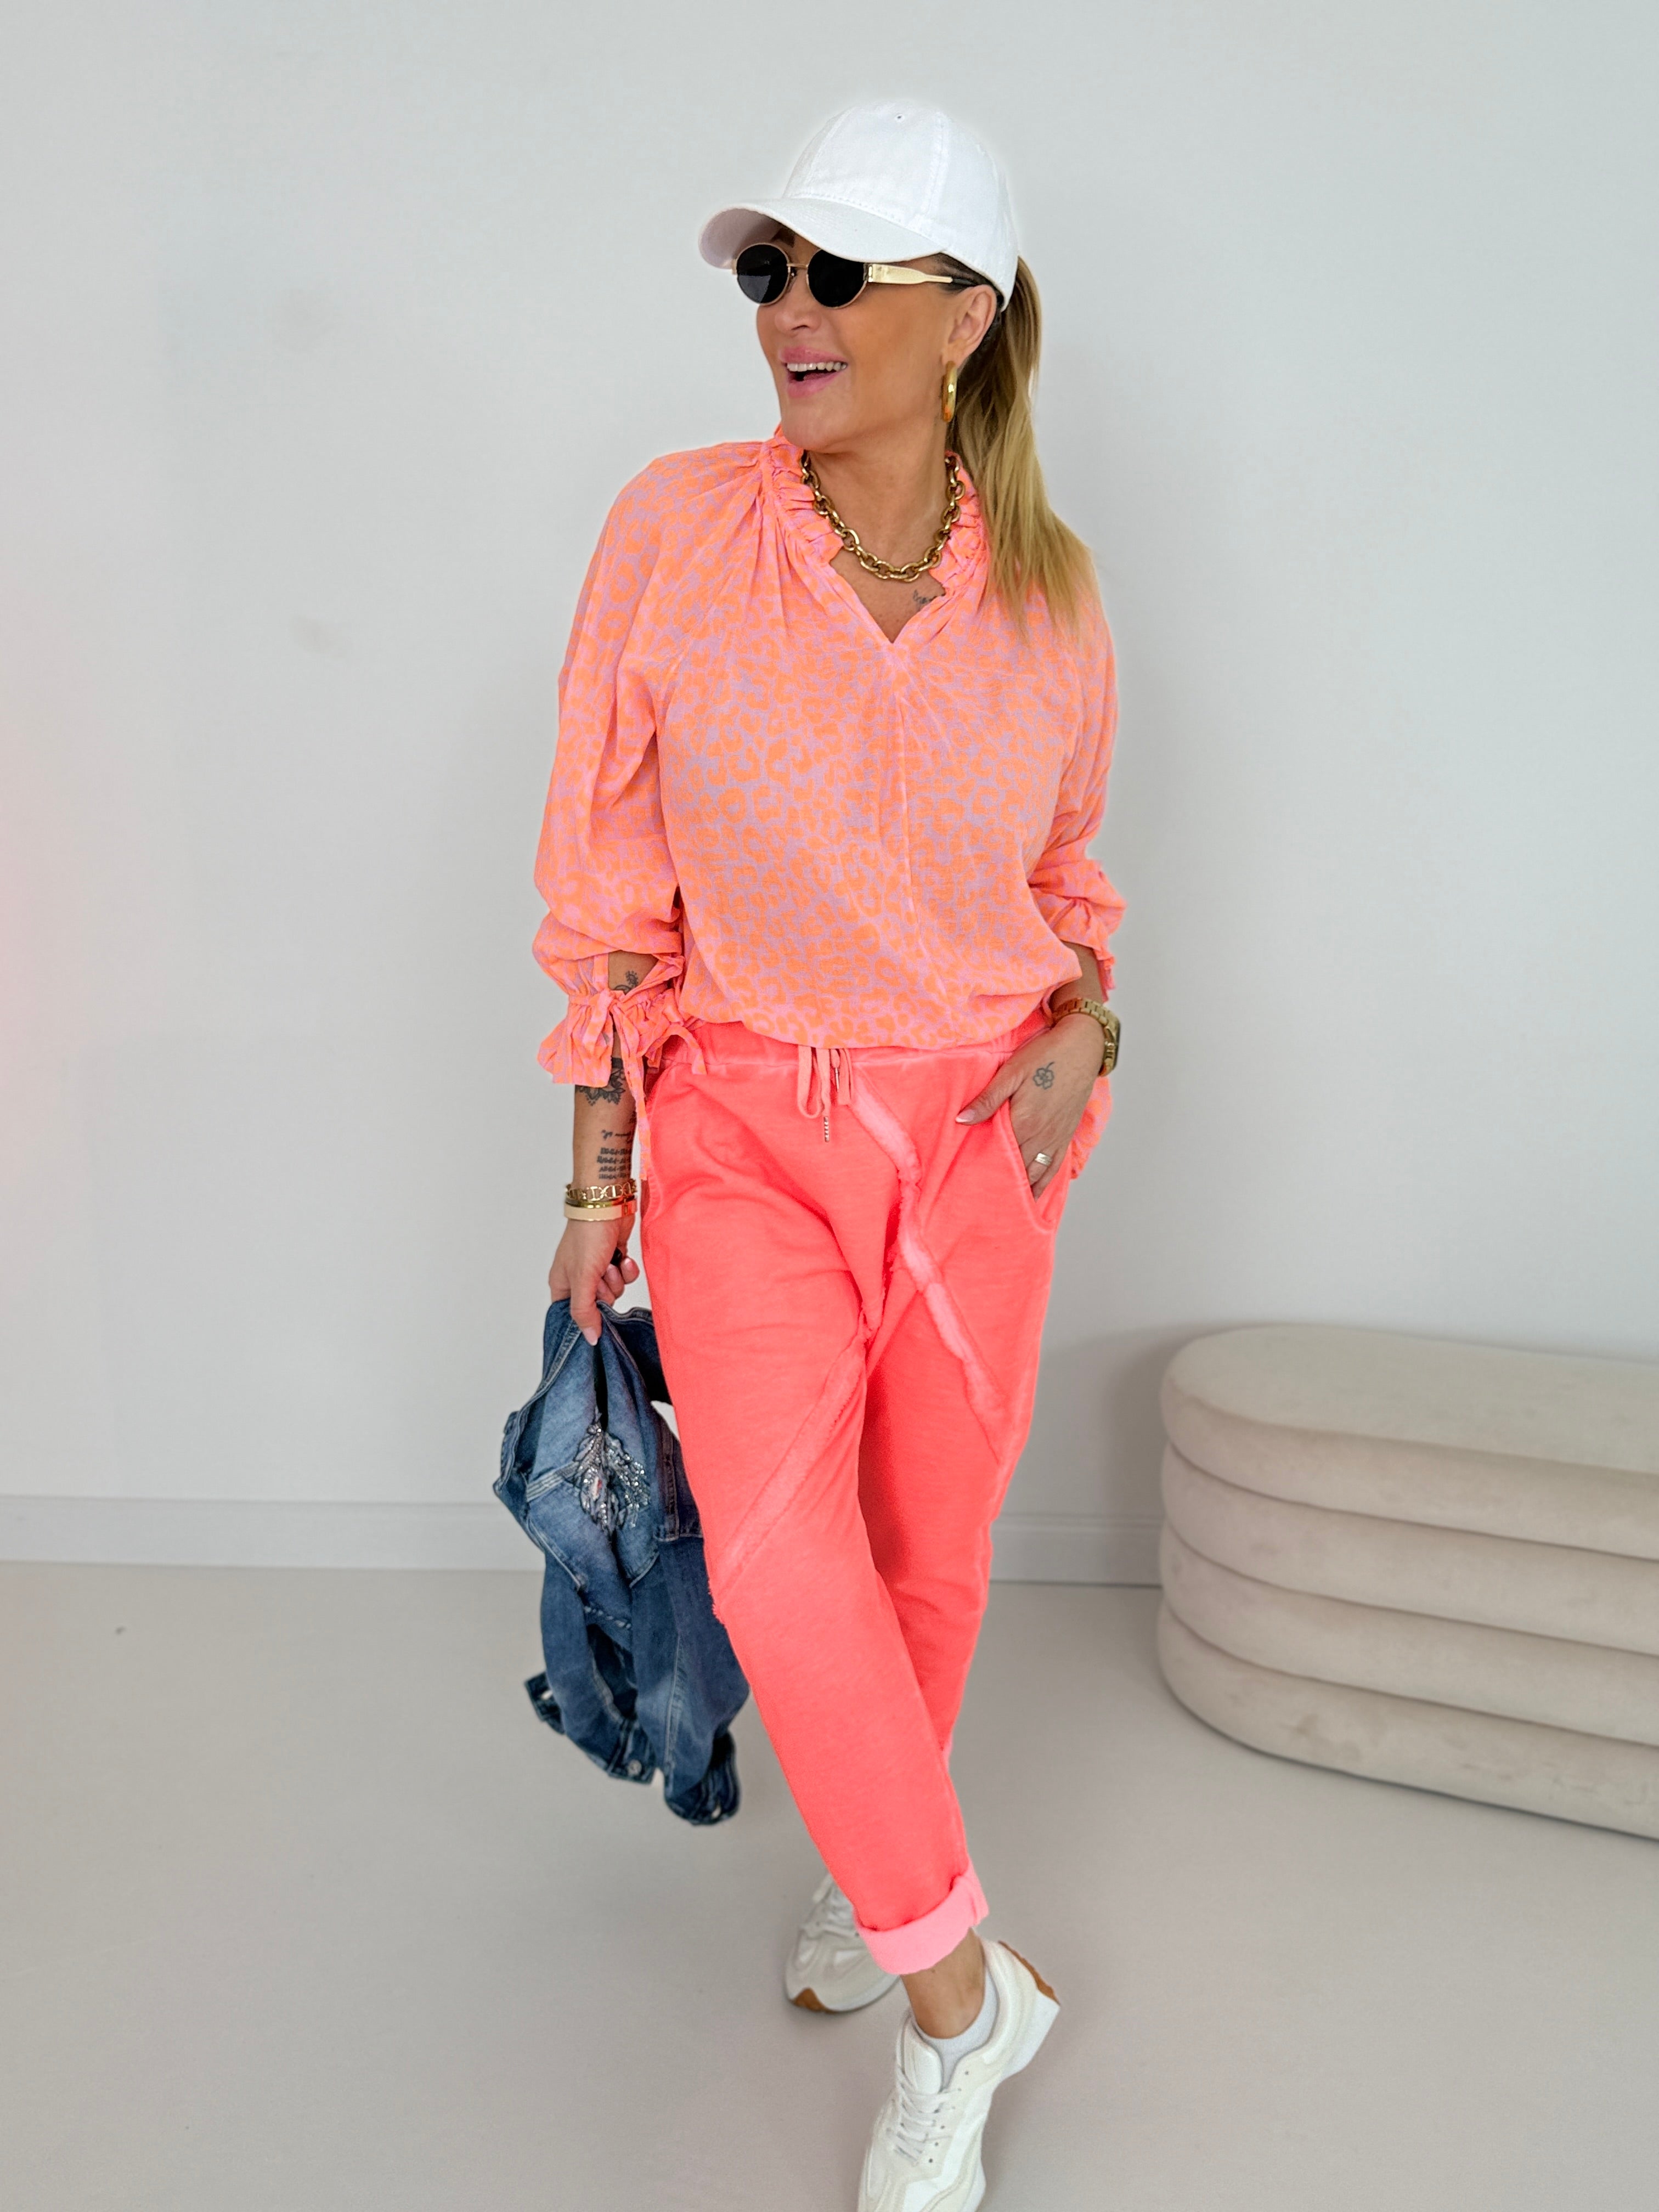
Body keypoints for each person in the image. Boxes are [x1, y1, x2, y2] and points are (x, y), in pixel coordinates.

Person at [533, 99, 1124, 2212]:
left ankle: (885, 1873)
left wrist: (1093, 1027)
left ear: (965, 317)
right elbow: (607, 884)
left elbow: (1069, 888)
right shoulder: (679, 530)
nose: (790, 307)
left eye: (840, 271)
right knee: (784, 1560)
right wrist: (597, 1175)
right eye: (769, 268)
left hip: (978, 1136)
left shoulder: (1051, 602)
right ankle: (963, 2000)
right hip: (743, 1126)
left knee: (923, 1562)